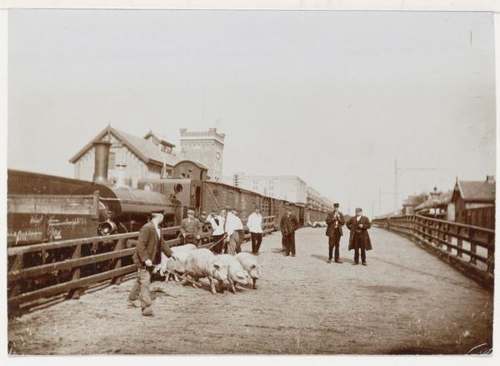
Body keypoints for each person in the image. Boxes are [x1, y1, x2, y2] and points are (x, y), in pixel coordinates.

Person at [128, 210, 174, 317]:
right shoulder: (147, 228)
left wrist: (171, 254)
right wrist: (145, 259)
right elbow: (140, 245)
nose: (163, 218)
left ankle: (132, 298)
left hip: (151, 259)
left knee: (141, 279)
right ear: (158, 216)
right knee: (145, 282)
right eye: (162, 216)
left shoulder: (158, 228)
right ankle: (146, 307)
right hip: (143, 260)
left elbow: (161, 243)